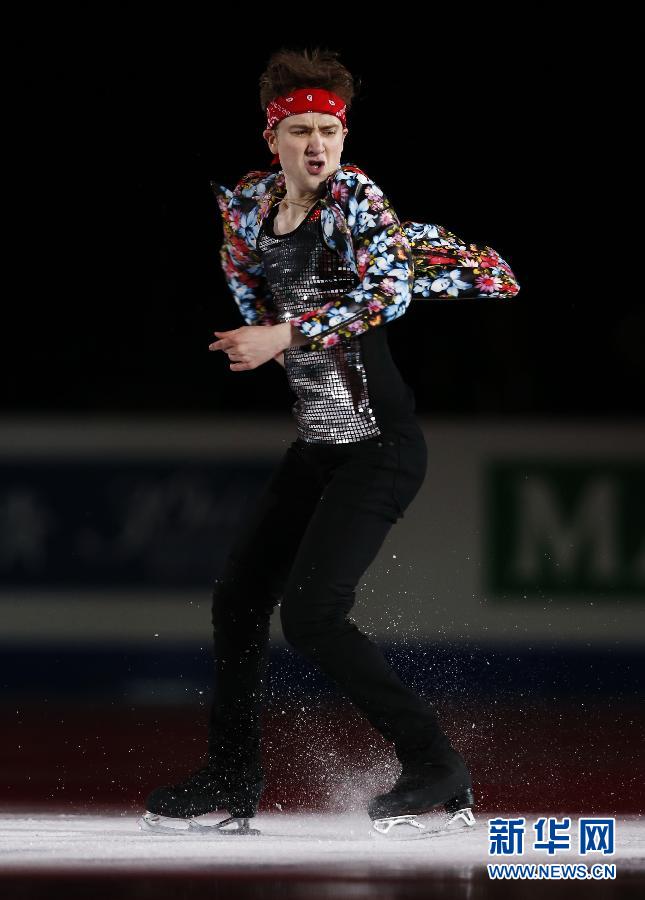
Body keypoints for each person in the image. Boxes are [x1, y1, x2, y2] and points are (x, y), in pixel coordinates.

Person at [142, 47, 518, 838]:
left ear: (344, 138)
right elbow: (247, 278)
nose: (317, 144)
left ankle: (434, 766)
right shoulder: (250, 205)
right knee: (239, 599)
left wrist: (282, 335)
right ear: (272, 137)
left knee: (311, 617)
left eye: (330, 131)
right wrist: (261, 326)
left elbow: (385, 295)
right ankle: (231, 774)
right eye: (300, 130)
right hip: (319, 446)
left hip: (380, 447)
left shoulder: (353, 198)